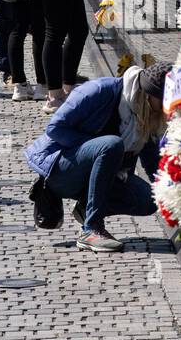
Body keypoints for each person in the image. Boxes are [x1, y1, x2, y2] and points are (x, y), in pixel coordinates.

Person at [24, 61, 170, 253]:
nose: (168, 109)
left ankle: (87, 207)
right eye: (166, 102)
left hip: (104, 175)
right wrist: (95, 147)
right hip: (62, 170)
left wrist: (174, 197)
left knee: (152, 198)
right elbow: (55, 129)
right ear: (151, 94)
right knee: (111, 145)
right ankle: (92, 230)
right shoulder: (100, 91)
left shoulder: (147, 114)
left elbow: (153, 165)